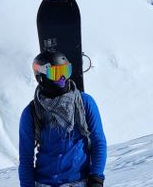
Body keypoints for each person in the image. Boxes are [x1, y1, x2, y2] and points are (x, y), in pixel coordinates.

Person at [19, 50, 107, 187]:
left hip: (80, 182)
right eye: (55, 73)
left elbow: (98, 141)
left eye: (65, 71)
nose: (62, 79)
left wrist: (96, 178)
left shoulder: (84, 103)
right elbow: (26, 158)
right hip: (45, 183)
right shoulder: (31, 112)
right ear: (41, 77)